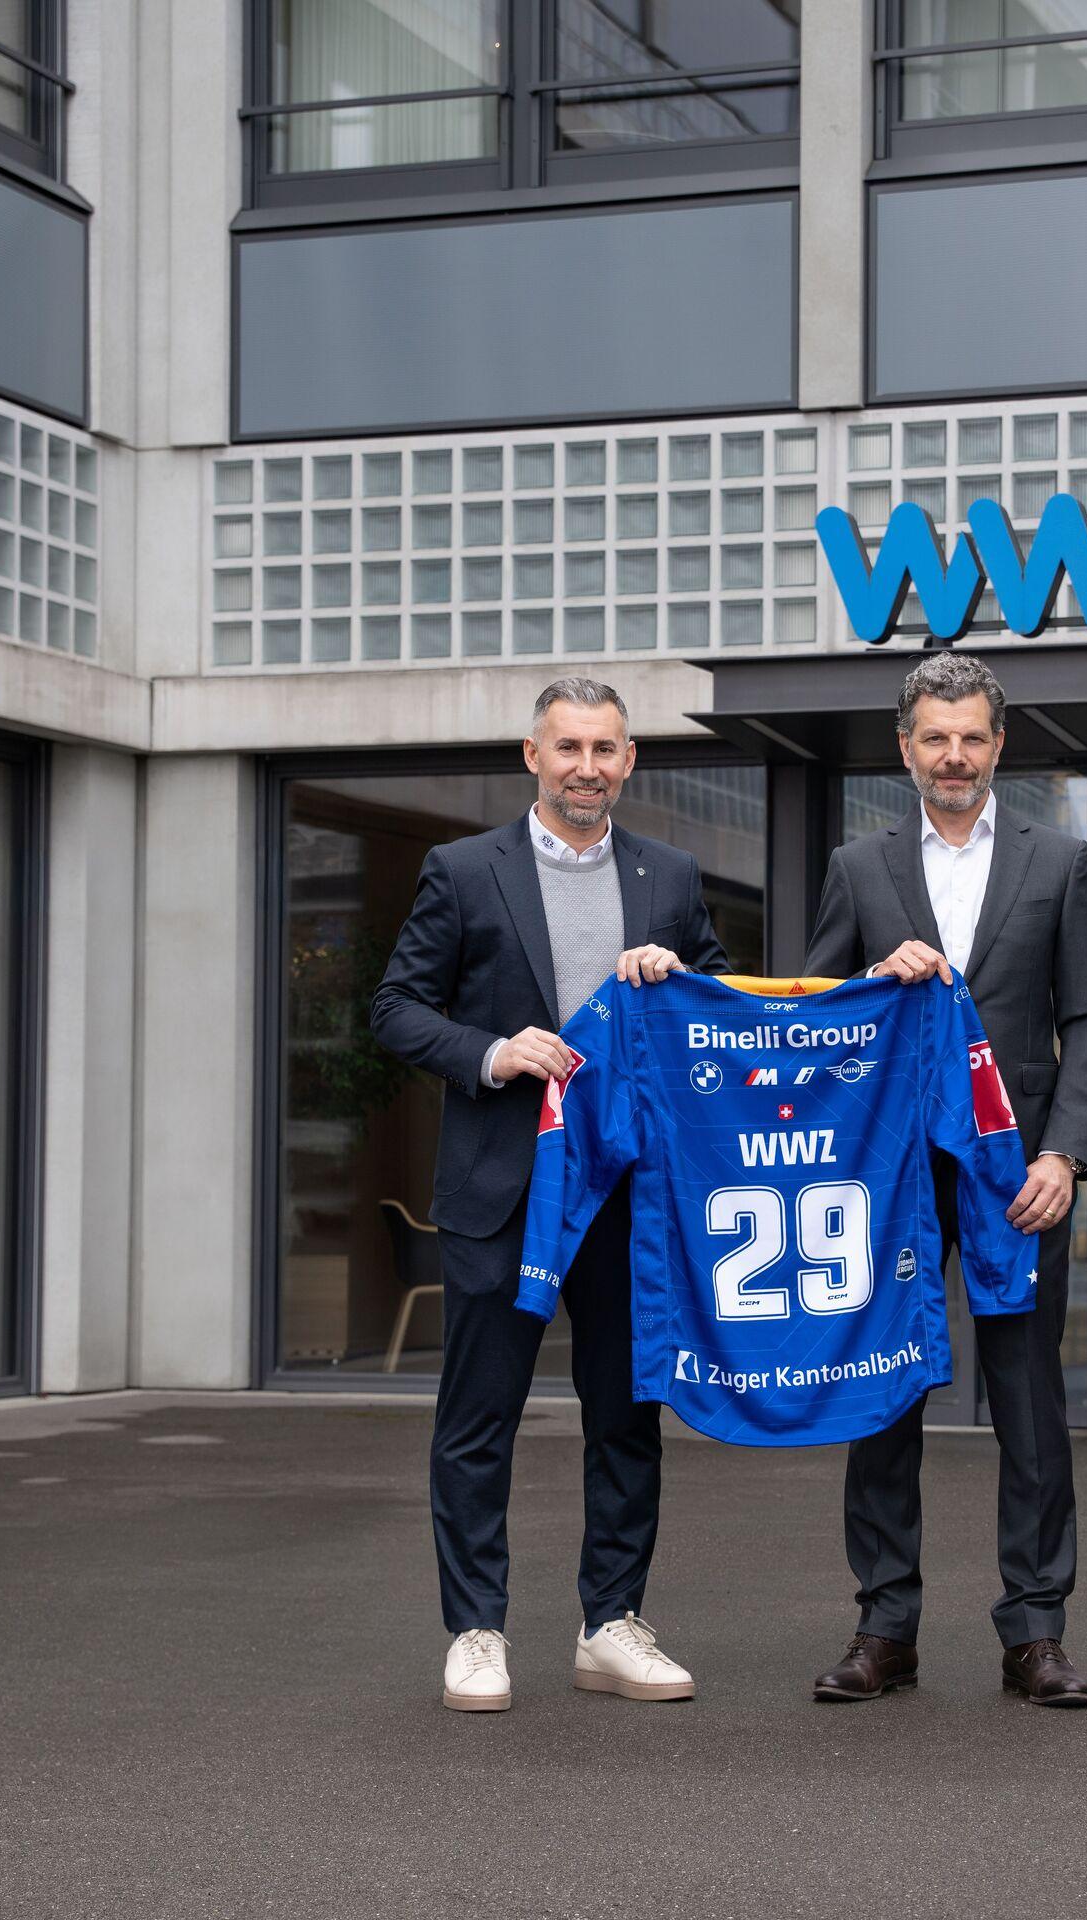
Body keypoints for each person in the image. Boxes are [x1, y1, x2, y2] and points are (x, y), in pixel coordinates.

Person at [370, 676, 730, 1714]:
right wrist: (491, 1052)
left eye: (605, 749)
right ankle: (476, 1631)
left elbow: (716, 1009)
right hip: (504, 1189)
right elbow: (396, 1009)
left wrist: (678, 975)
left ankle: (610, 1624)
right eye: (567, 747)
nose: (586, 767)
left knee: (626, 1417)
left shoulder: (670, 876)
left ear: (629, 761)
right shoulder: (463, 870)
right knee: (479, 1419)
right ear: (533, 756)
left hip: (627, 1195)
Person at [802, 651, 1087, 1708]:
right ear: (905, 748)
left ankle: (1035, 1632)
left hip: (1016, 1174)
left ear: (998, 745)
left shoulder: (1059, 860)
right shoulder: (858, 866)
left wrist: (1065, 1154)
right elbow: (814, 1015)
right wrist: (867, 976)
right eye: (934, 737)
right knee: (884, 1389)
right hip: (888, 1173)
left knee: (1028, 1400)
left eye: (971, 736)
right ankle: (884, 1626)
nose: (954, 755)